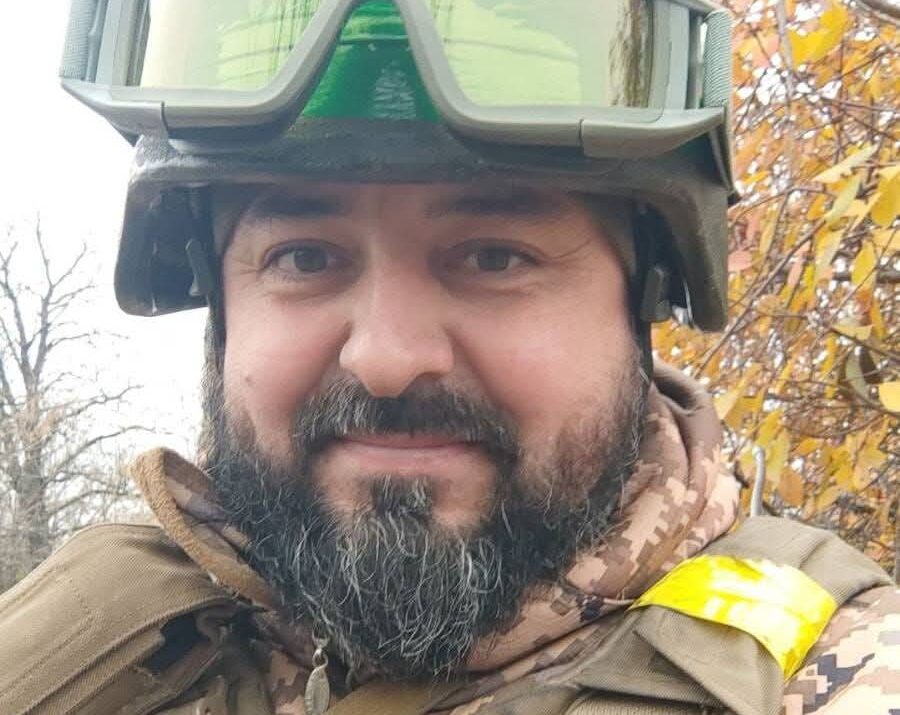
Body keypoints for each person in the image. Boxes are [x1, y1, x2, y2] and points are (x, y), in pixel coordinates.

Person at [1, 1, 896, 714]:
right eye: (304, 257)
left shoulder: (844, 671)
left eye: (495, 256)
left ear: (645, 297)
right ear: (220, 307)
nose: (387, 358)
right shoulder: (97, 649)